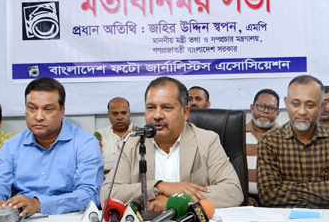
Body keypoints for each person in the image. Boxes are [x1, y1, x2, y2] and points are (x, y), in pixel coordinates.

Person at [101, 76, 242, 210]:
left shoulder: (207, 140)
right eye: (151, 107)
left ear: (185, 112)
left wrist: (176, 201)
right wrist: (159, 186)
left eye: (166, 107)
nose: (157, 115)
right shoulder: (132, 144)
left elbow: (233, 192)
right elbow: (107, 194)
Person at [0, 77, 103, 219]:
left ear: (62, 110)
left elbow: (90, 195)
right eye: (32, 108)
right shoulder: (11, 147)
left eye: (48, 109)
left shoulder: (85, 144)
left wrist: (39, 204)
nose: (38, 117)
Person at [257, 75, 329, 208]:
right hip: (281, 218)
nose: (302, 111)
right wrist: (320, 193)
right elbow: (267, 194)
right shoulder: (269, 141)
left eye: (310, 105)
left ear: (322, 106)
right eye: (295, 104)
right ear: (286, 103)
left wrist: (284, 186)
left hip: (325, 218)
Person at [245, 88, 281, 205]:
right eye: (261, 106)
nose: (265, 111)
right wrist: (243, 198)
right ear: (252, 108)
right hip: (243, 200)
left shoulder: (286, 136)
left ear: (277, 113)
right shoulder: (237, 133)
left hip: (278, 201)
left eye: (271, 108)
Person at [94, 97, 140, 172]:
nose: (120, 117)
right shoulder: (99, 136)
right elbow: (95, 164)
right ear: (108, 114)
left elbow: (142, 163)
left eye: (123, 113)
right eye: (115, 114)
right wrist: (129, 161)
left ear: (129, 112)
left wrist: (107, 162)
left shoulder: (141, 134)